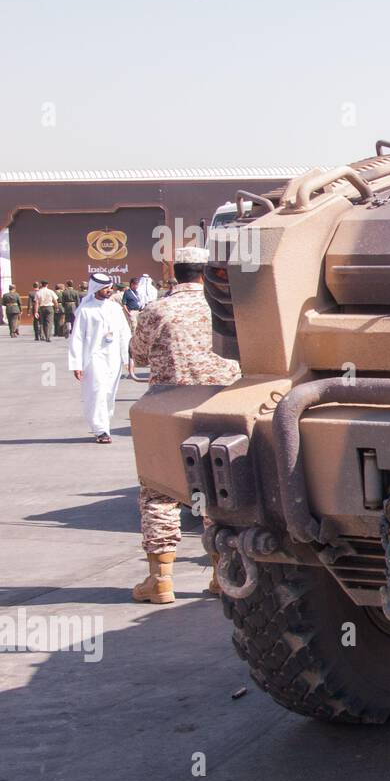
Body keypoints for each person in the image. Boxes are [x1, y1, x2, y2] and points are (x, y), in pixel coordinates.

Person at [131, 247, 240, 604]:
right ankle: (221, 574)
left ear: (175, 273)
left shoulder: (157, 309)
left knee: (159, 491)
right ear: (206, 273)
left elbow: (138, 353)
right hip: (220, 408)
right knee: (216, 488)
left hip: (167, 409)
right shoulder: (229, 308)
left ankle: (160, 580)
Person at [67, 272, 131, 444]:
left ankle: (104, 425)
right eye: (105, 288)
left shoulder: (115, 308)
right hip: (94, 357)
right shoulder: (85, 311)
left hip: (114, 357)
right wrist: (76, 363)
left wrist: (128, 359)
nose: (109, 291)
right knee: (97, 391)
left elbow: (124, 333)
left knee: (109, 393)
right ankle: (100, 429)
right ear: (96, 289)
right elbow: (77, 337)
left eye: (110, 287)